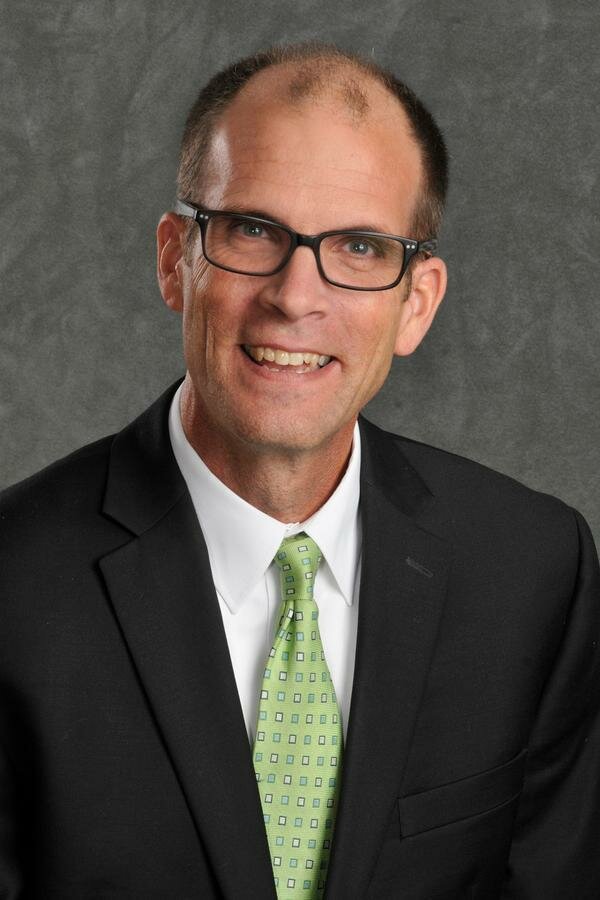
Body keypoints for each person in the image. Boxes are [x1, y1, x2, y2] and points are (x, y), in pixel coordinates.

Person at [1, 41, 599, 900]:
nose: (295, 296)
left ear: (417, 303)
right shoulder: (16, 586)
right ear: (175, 260)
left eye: (359, 247)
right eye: (252, 230)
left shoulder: (531, 571)